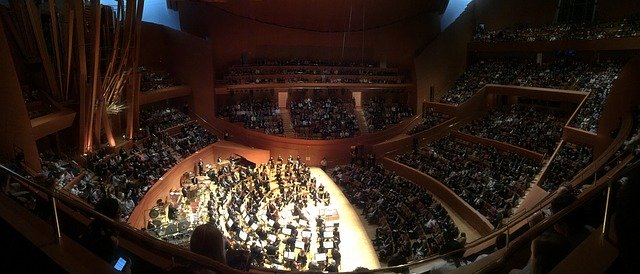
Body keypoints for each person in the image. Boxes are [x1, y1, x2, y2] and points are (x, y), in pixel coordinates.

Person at [79, 197, 125, 268]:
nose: (120, 214)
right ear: (113, 216)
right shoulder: (110, 241)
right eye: (119, 212)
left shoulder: (93, 224)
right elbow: (105, 266)